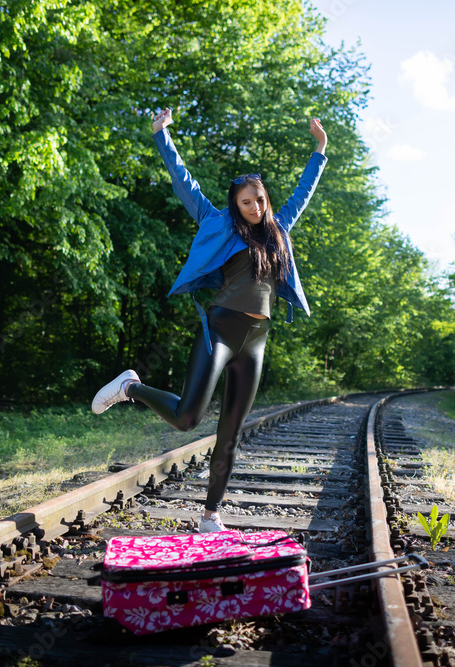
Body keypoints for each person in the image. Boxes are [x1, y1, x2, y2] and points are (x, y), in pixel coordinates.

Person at [91, 107, 328, 533]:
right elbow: (186, 183)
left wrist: (319, 151)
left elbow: (303, 192)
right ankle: (130, 386)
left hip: (256, 341)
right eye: (246, 202)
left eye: (260, 199)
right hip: (219, 330)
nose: (255, 207)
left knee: (230, 435)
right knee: (187, 418)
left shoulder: (280, 230)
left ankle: (211, 516)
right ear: (235, 205)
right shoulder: (218, 223)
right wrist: (162, 135)